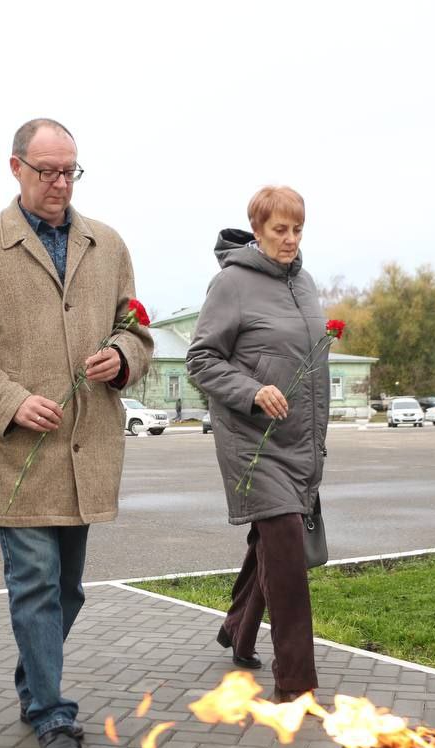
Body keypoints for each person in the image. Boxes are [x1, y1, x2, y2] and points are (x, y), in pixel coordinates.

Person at [0, 118, 153, 748]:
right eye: (47, 171)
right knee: (33, 583)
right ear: (16, 168)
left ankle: (35, 677)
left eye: (70, 171)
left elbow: (136, 330)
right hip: (20, 455)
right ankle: (52, 715)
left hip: (86, 451)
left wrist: (121, 357)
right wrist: (10, 401)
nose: (60, 184)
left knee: (69, 589)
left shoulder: (107, 244)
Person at [185, 186, 329, 703]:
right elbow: (201, 360)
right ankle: (296, 685)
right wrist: (253, 390)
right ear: (257, 227)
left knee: (269, 543)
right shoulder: (232, 284)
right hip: (253, 440)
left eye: (297, 230)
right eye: (280, 230)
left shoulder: (305, 283)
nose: (290, 240)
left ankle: (237, 629)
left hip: (298, 440)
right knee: (287, 550)